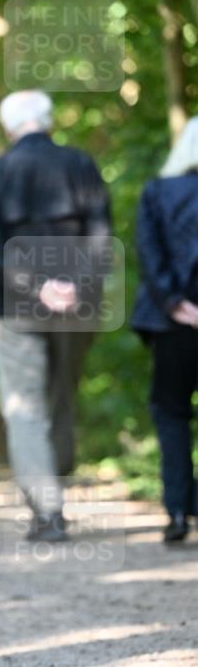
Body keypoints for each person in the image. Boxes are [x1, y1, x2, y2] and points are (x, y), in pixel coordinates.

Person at [0, 90, 111, 542]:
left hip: (13, 305)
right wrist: (74, 285)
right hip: (78, 305)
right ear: (49, 121)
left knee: (25, 409)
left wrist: (37, 286)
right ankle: (56, 484)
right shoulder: (81, 164)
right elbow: (101, 233)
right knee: (62, 399)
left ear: (8, 125)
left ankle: (47, 512)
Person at [131, 117, 198, 543]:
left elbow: (149, 255)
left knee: (171, 413)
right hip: (175, 318)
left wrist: (176, 304)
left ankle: (177, 510)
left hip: (170, 324)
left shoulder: (157, 192)